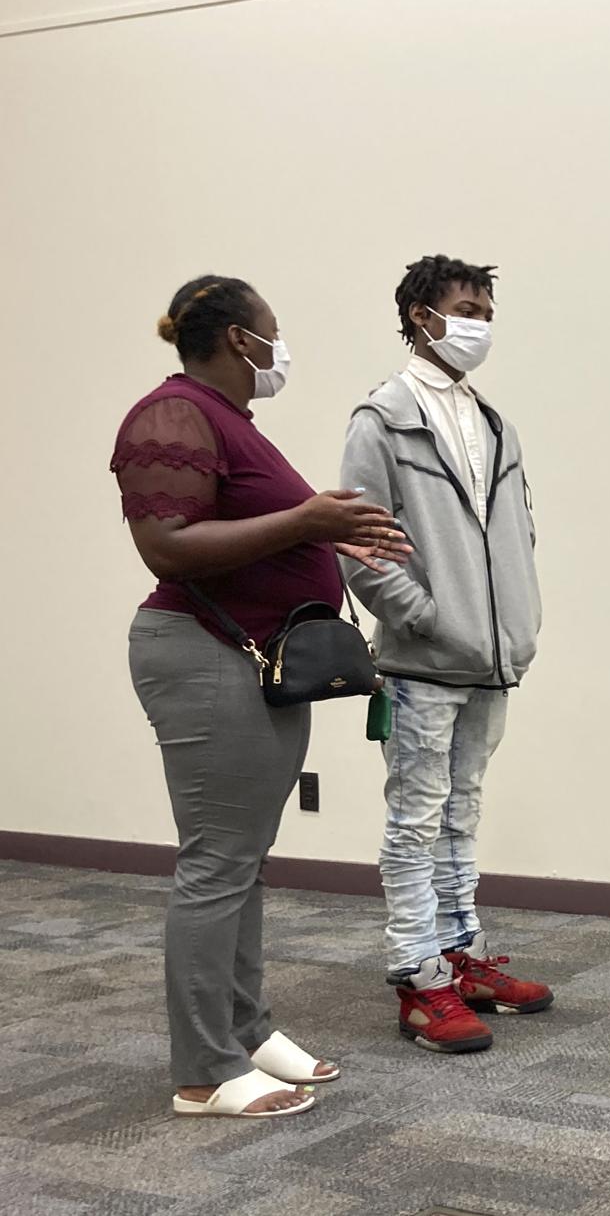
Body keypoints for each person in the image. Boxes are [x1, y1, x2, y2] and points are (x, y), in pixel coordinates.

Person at [114, 275, 408, 1118]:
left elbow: (270, 530)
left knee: (242, 862)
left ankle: (247, 1028)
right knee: (216, 865)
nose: (282, 348)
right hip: (202, 654)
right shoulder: (170, 414)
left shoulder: (232, 422)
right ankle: (205, 1070)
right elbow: (165, 546)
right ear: (241, 339)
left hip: (254, 661)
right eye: (273, 332)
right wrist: (309, 524)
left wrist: (337, 530)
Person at [341, 254, 549, 1055]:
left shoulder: (493, 421)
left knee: (463, 811)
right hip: (425, 660)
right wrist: (426, 617)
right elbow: (359, 544)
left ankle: (458, 955)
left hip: (493, 658)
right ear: (420, 316)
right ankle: (417, 980)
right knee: (416, 818)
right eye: (465, 308)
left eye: (488, 312)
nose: (478, 325)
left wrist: (516, 624)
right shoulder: (382, 418)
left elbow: (517, 535)